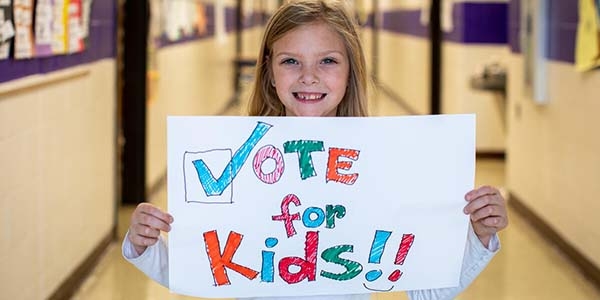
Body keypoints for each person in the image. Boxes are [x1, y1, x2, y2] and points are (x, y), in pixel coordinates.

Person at [122, 1, 509, 299]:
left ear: (349, 72)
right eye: (291, 61)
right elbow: (202, 274)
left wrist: (477, 234)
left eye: (327, 61)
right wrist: (147, 246)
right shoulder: (238, 167)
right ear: (269, 74)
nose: (309, 76)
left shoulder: (383, 165)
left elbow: (430, 290)